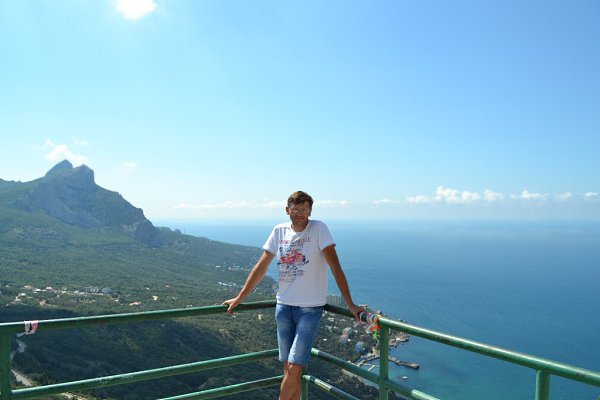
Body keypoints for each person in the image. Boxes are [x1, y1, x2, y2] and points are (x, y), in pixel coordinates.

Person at [223, 191, 365, 400]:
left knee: (294, 367)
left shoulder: (319, 229)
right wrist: (240, 297)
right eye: (296, 209)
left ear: (310, 211)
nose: (300, 214)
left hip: (309, 309)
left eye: (304, 209)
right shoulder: (279, 231)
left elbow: (335, 267)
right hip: (283, 307)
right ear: (287, 210)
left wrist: (350, 304)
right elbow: (261, 267)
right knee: (289, 368)